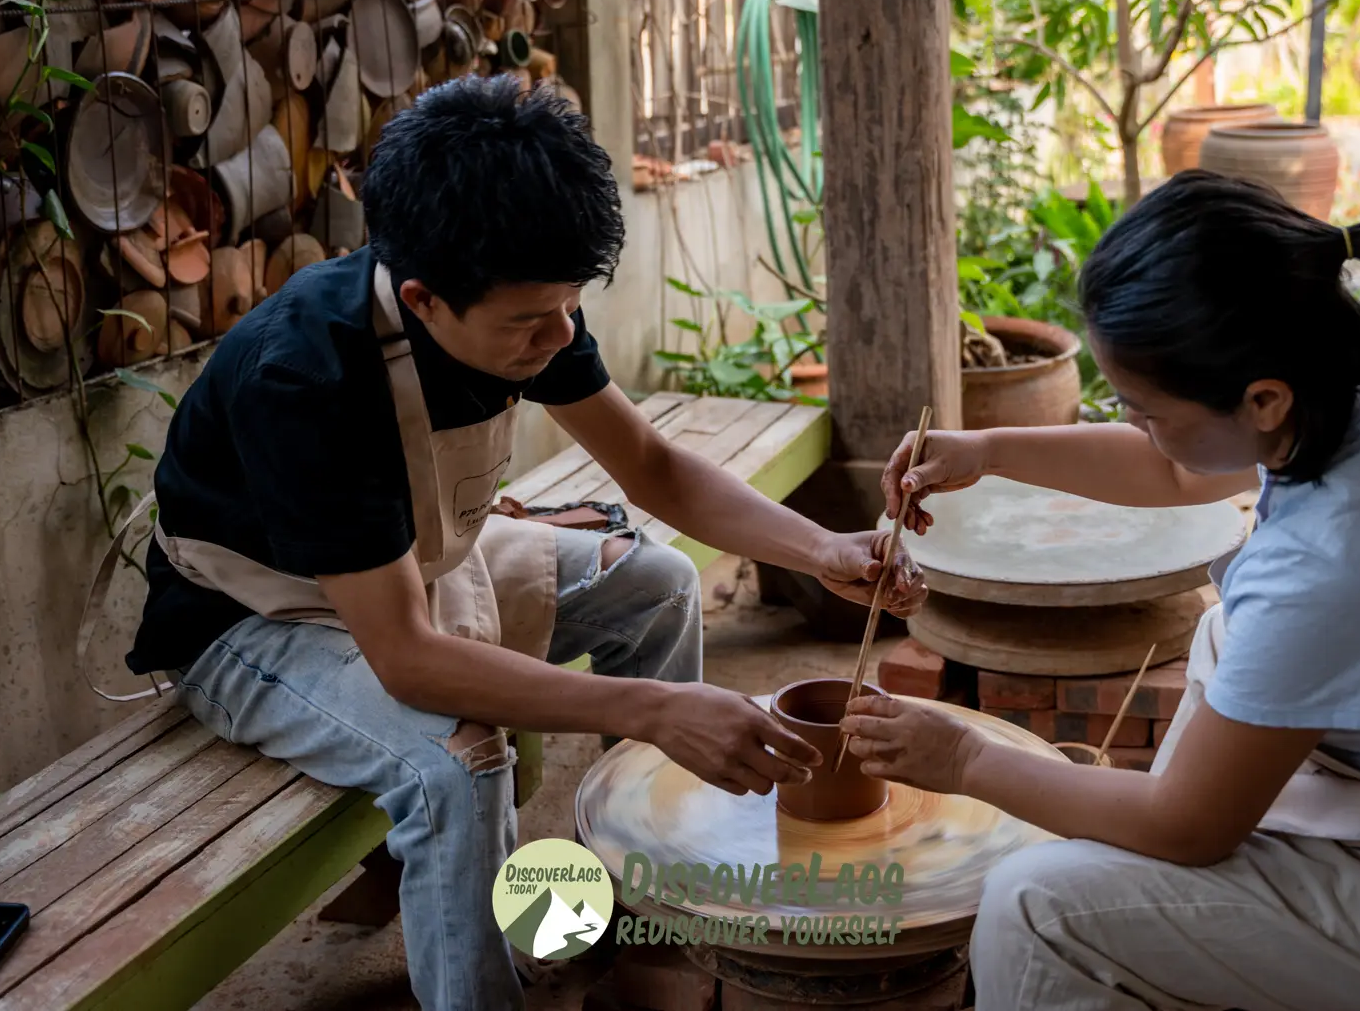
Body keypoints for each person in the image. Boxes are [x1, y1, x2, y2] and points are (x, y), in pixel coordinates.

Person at [126, 77, 919, 1010]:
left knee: (658, 587)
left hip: (411, 570)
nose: (560, 333)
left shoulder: (524, 298)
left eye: (570, 304)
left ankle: (623, 924)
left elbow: (653, 469)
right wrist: (655, 711)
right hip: (252, 621)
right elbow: (410, 662)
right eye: (531, 321)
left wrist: (822, 550)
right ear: (422, 299)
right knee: (459, 763)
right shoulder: (306, 378)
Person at [843, 171, 1360, 1011]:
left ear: (1262, 400)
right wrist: (990, 452)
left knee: (1035, 908)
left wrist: (964, 760)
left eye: (1146, 411)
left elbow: (1188, 826)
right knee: (1227, 640)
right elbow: (1182, 469)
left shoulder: (1338, 554)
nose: (1136, 426)